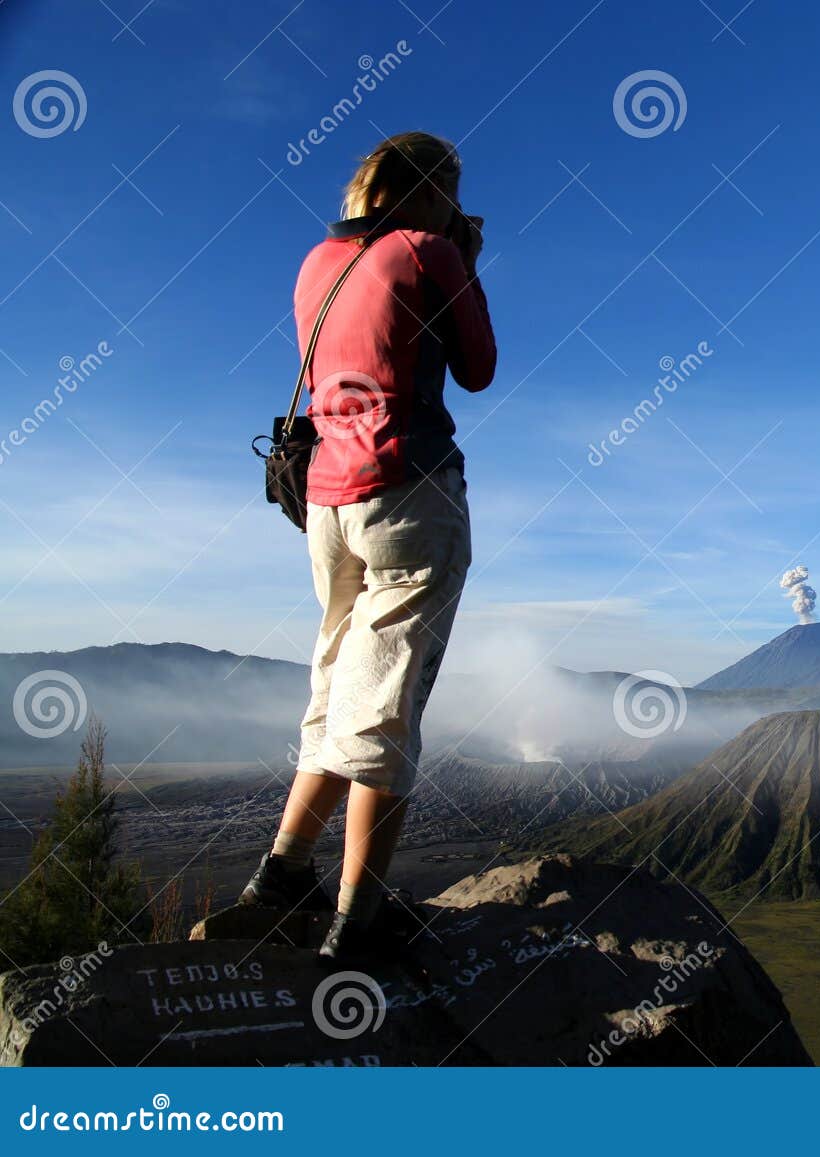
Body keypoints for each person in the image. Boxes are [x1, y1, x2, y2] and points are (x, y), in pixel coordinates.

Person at [239, 131, 496, 961]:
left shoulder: (315, 262)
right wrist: (465, 258)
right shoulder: (429, 249)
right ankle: (361, 920)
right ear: (427, 195)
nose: (456, 211)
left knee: (335, 684)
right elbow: (479, 364)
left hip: (324, 503)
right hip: (410, 490)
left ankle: (280, 876)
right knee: (383, 702)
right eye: (451, 196)